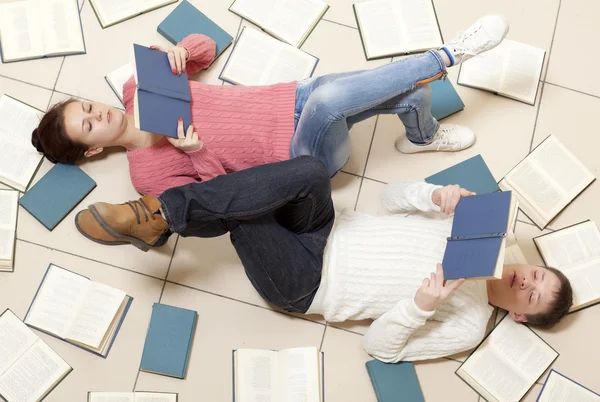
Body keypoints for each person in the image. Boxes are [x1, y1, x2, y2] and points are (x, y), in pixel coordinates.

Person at [74, 156, 573, 362]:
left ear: (519, 312)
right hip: (326, 228)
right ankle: (161, 221)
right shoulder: (485, 230)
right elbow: (390, 199)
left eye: (531, 292)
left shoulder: (468, 327)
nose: (524, 278)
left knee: (249, 214)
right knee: (312, 170)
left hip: (308, 282)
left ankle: (158, 213)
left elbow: (381, 349)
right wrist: (432, 195)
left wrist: (420, 305)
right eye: (536, 273)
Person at [32, 16, 509, 197]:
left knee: (409, 94)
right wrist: (194, 150)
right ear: (91, 151)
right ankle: (447, 55)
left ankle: (421, 137)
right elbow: (224, 196)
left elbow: (207, 47)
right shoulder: (146, 176)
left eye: (88, 107)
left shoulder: (139, 85)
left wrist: (183, 51)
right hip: (300, 156)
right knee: (330, 100)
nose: (99, 114)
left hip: (289, 97)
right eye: (88, 126)